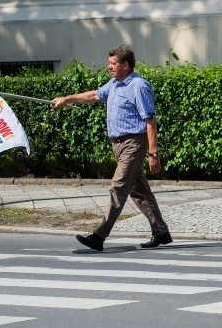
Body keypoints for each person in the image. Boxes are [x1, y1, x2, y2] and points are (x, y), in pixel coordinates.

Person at [51, 45, 171, 252]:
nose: (109, 67)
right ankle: (161, 231)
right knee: (138, 190)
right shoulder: (115, 84)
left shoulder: (139, 86)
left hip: (134, 142)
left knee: (118, 186)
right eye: (110, 63)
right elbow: (93, 96)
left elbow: (150, 121)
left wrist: (154, 153)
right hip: (118, 144)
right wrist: (66, 99)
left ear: (125, 65)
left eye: (114, 63)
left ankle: (99, 236)